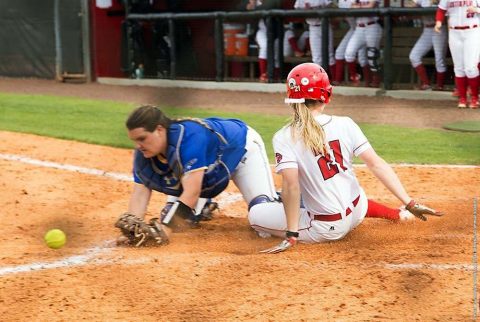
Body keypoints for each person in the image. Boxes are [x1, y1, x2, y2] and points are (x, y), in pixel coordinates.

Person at [257, 63, 443, 253]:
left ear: (292, 96)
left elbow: (291, 186)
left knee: (256, 213)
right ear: (327, 94)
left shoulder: (285, 135)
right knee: (344, 188)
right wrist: (409, 203)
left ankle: (287, 227)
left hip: (326, 229)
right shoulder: (346, 123)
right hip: (356, 211)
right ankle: (399, 214)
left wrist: (291, 234)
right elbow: (376, 164)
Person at [115, 105, 284, 246]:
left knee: (264, 223)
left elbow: (192, 192)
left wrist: (166, 229)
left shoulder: (189, 138)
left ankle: (291, 200)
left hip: (241, 153)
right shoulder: (144, 154)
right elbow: (140, 192)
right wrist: (133, 229)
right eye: (135, 140)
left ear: (159, 130)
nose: (138, 145)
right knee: (177, 219)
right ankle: (202, 206)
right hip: (207, 169)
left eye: (142, 138)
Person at [435, 0, 480, 108]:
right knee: (459, 68)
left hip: (472, 31)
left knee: (471, 67)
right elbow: (441, 10)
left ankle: (475, 97)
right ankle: (463, 98)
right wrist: (438, 22)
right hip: (454, 33)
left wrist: (477, 10)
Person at [407, 0, 448, 90]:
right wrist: (415, 6)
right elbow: (409, 5)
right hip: (427, 29)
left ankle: (440, 86)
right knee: (414, 56)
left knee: (439, 59)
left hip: (439, 29)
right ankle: (426, 84)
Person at [344, 0, 383, 87]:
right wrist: (361, 6)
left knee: (372, 57)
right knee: (349, 53)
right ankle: (354, 77)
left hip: (372, 27)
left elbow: (371, 6)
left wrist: (358, 6)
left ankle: (376, 80)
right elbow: (351, 8)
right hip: (359, 28)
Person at [294, 0, 336, 77]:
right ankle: (320, 81)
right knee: (316, 57)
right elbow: (296, 10)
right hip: (312, 27)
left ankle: (334, 80)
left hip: (325, 26)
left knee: (329, 55)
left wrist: (323, 8)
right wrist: (305, 11)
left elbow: (333, 6)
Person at [245, 0, 283, 82]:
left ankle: (276, 76)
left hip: (275, 32)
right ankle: (263, 74)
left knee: (276, 55)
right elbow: (239, 8)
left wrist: (253, 8)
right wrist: (248, 6)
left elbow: (268, 6)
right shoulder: (254, 1)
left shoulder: (272, 2)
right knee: (265, 47)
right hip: (261, 31)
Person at [333, 0, 369, 86]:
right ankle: (338, 80)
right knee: (339, 53)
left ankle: (368, 81)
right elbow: (340, 18)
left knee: (362, 58)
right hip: (353, 29)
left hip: (362, 28)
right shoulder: (341, 1)